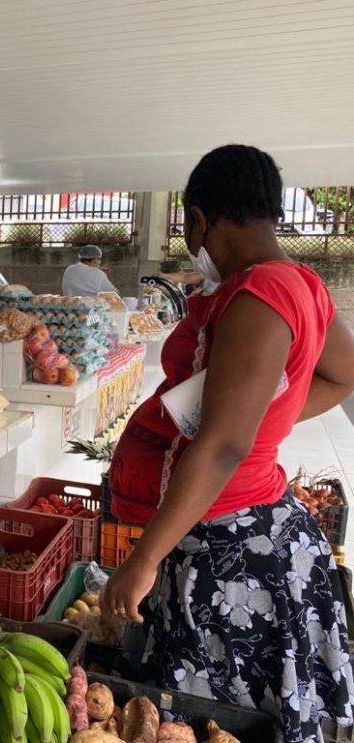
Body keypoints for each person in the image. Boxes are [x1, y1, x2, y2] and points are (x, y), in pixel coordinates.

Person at [101, 145, 354, 742]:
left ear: (197, 219)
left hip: (232, 557)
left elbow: (220, 447)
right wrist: (262, 420)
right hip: (256, 532)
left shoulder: (258, 296)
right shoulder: (301, 284)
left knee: (211, 721)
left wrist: (143, 561)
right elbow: (343, 374)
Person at [154, 268, 218, 296]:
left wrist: (201, 292)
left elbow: (186, 277)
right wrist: (163, 275)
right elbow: (185, 277)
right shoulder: (210, 273)